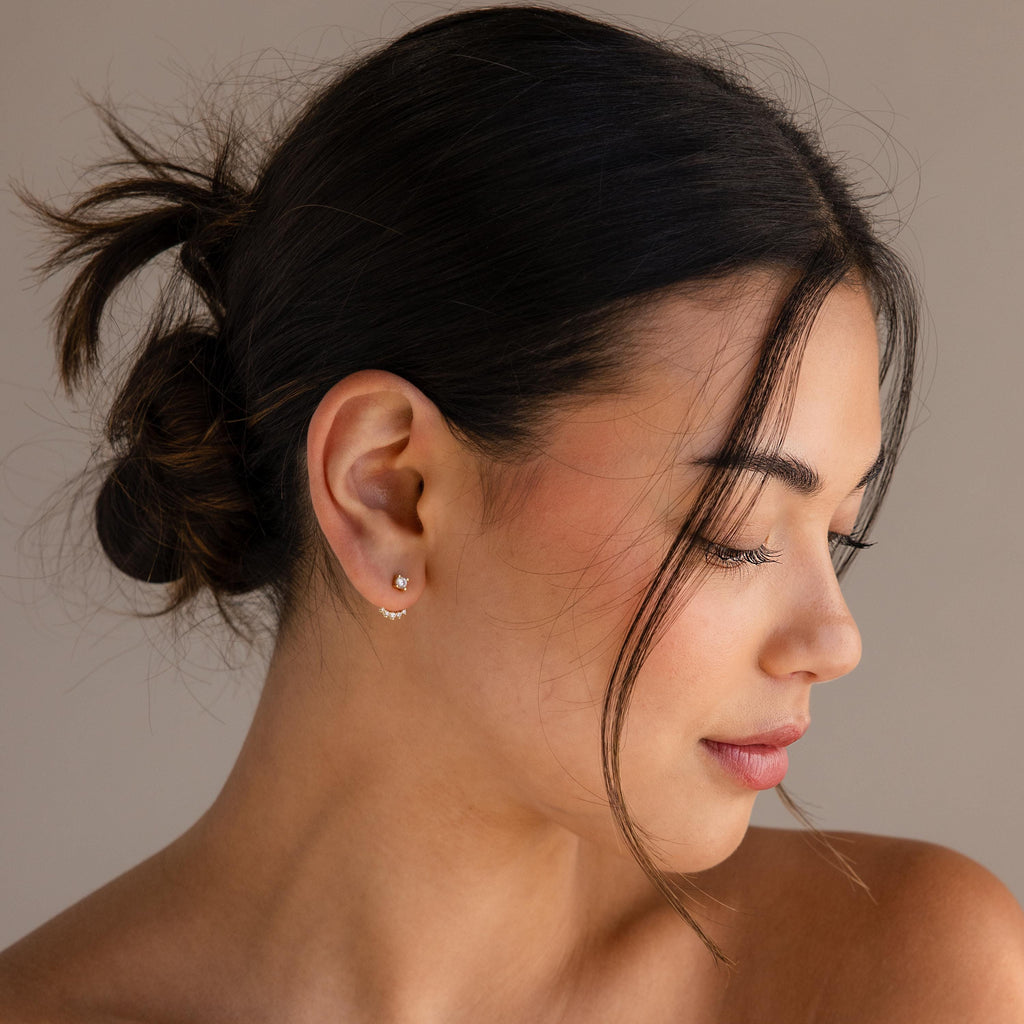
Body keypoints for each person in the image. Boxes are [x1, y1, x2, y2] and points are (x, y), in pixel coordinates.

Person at [1, 5, 1022, 1020]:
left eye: (837, 535)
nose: (834, 640)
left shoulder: (904, 974)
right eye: (736, 526)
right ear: (389, 490)